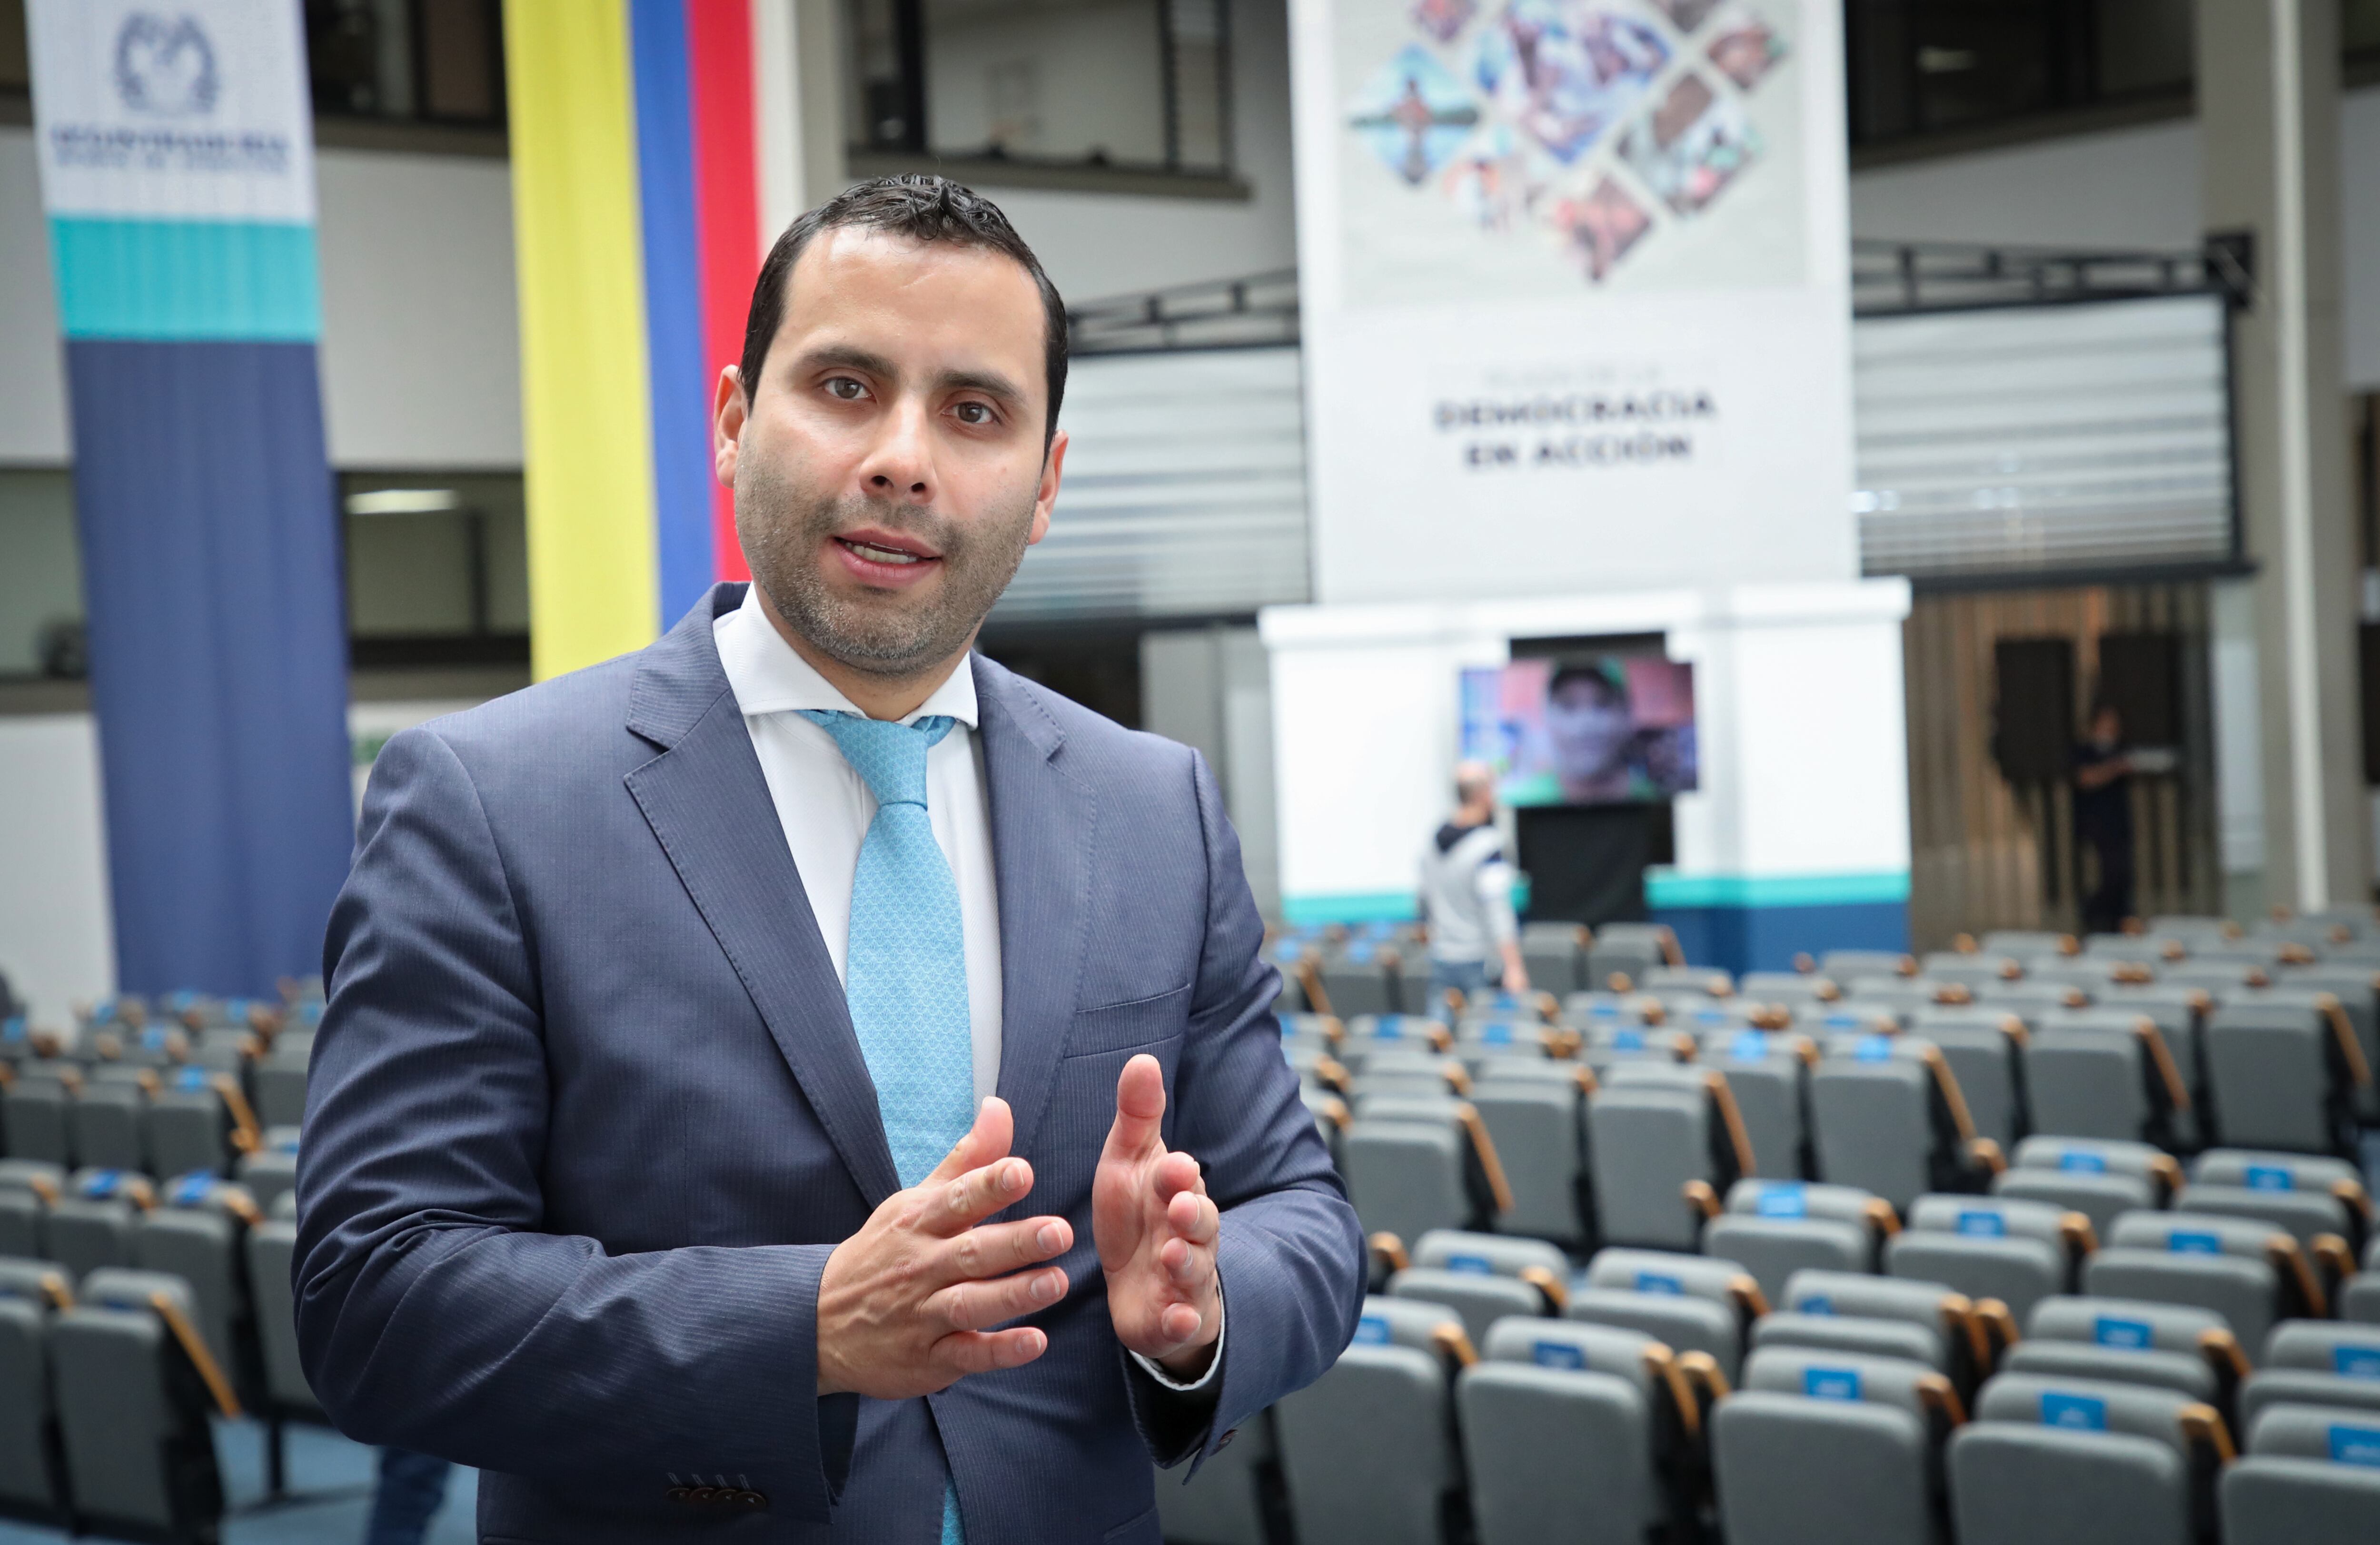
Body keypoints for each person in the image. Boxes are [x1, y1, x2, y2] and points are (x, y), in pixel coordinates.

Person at [294, 177, 1365, 1545]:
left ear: (1044, 484)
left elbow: (1305, 1216)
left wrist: (1206, 1307)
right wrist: (802, 1326)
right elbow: (376, 1294)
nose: (904, 458)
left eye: (974, 411)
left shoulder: (1154, 805)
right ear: (737, 423)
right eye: (847, 386)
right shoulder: (492, 803)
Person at [1418, 761, 1528, 1013]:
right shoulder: (1488, 845)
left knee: (1440, 1042)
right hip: (1477, 962)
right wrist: (1513, 967)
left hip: (1441, 957)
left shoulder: (1432, 843)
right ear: (1483, 794)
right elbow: (1497, 909)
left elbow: (1423, 901)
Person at [1543, 661, 1653, 803]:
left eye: (1602, 704)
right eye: (1569, 706)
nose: (1586, 725)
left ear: (1627, 715)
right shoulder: (1525, 798)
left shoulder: (1653, 797)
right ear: (1548, 718)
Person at [2073, 700, 2136, 934]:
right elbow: (2085, 779)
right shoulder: (2085, 751)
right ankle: (2094, 913)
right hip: (2097, 823)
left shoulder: (2120, 749)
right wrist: (2112, 769)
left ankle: (2121, 919)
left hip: (2119, 822)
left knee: (2123, 874)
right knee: (2109, 873)